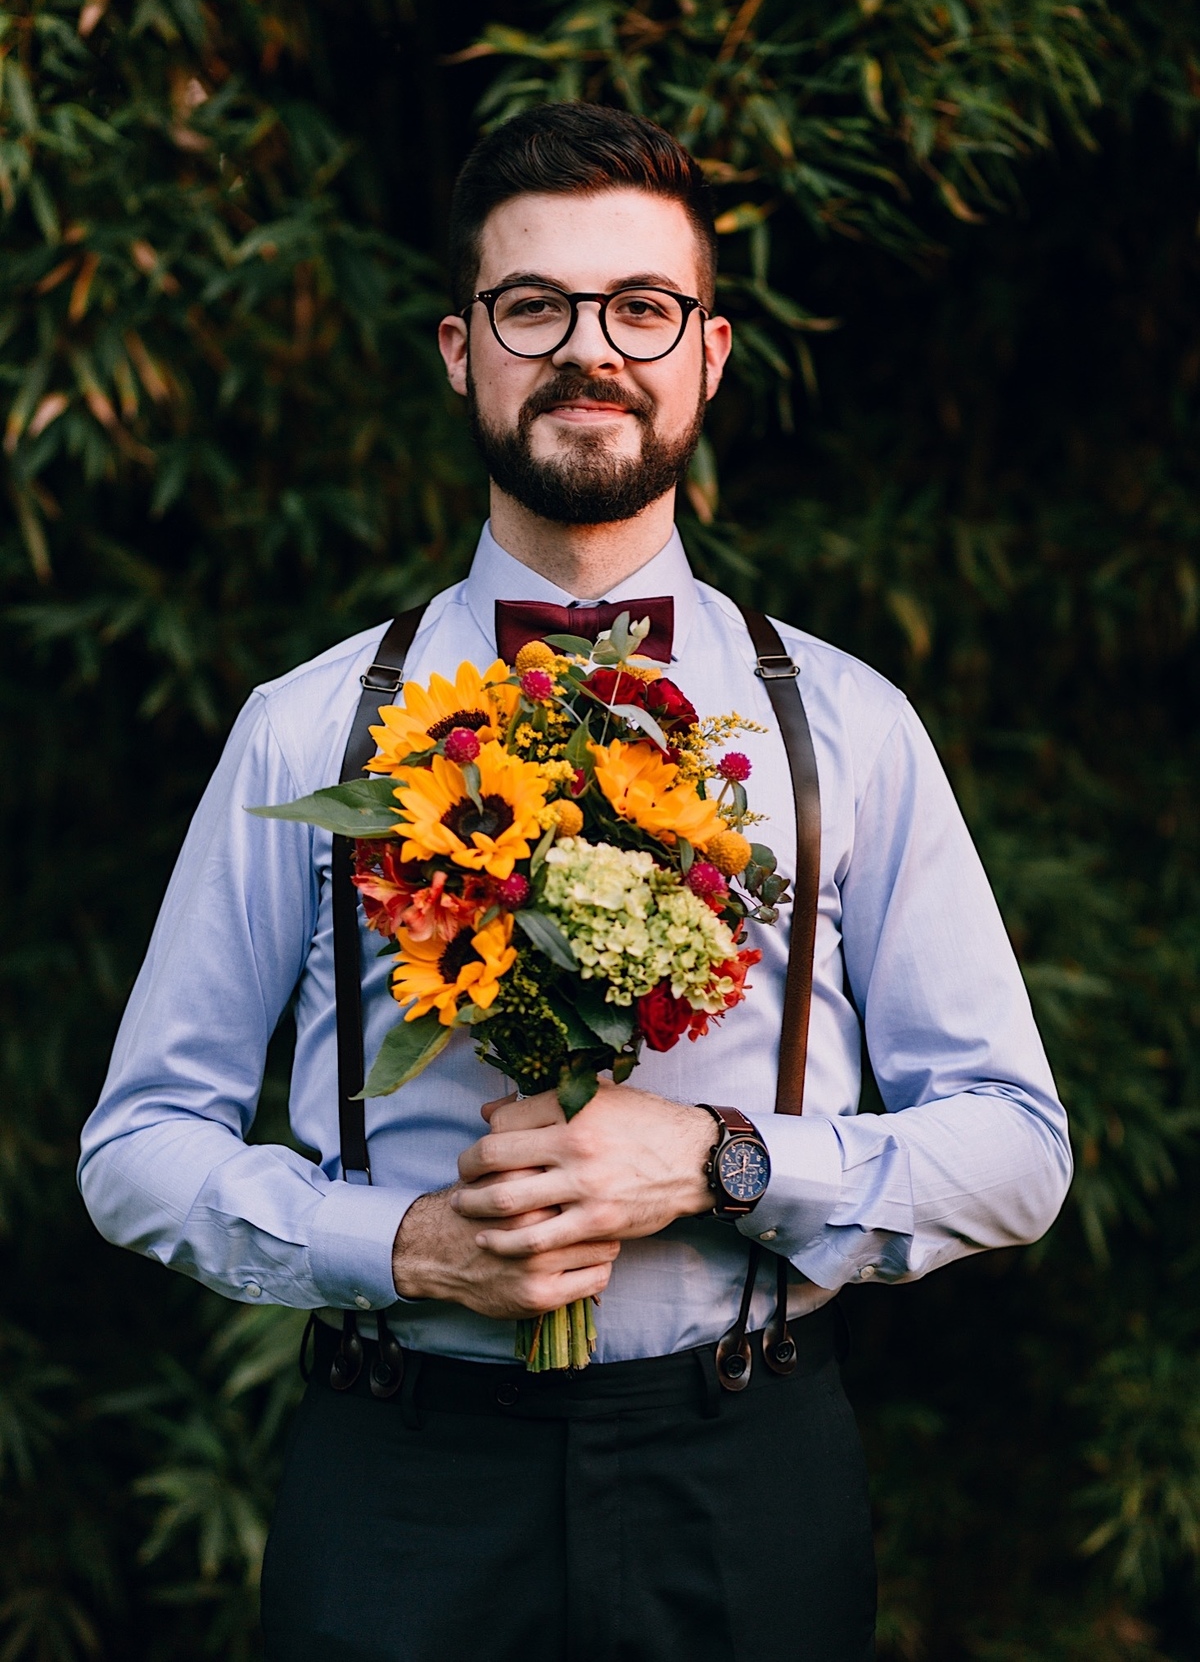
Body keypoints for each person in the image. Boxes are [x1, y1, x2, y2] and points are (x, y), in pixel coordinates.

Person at [79, 102, 1072, 1662]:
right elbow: (137, 1144)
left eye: (641, 307)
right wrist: (399, 1245)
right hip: (400, 1474)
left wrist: (725, 1161)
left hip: (748, 1475)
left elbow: (1017, 1147)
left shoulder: (850, 727)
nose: (588, 348)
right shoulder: (310, 723)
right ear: (460, 349)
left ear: (711, 354)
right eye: (533, 306)